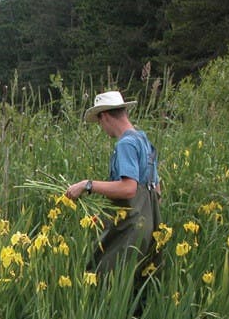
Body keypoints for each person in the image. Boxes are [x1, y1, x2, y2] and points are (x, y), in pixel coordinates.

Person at [65, 90, 162, 303]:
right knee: (135, 284)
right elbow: (157, 190)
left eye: (100, 122)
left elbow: (128, 189)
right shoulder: (143, 140)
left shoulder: (126, 144)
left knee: (104, 277)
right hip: (150, 224)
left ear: (105, 116)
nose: (102, 128)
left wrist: (87, 185)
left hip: (131, 226)